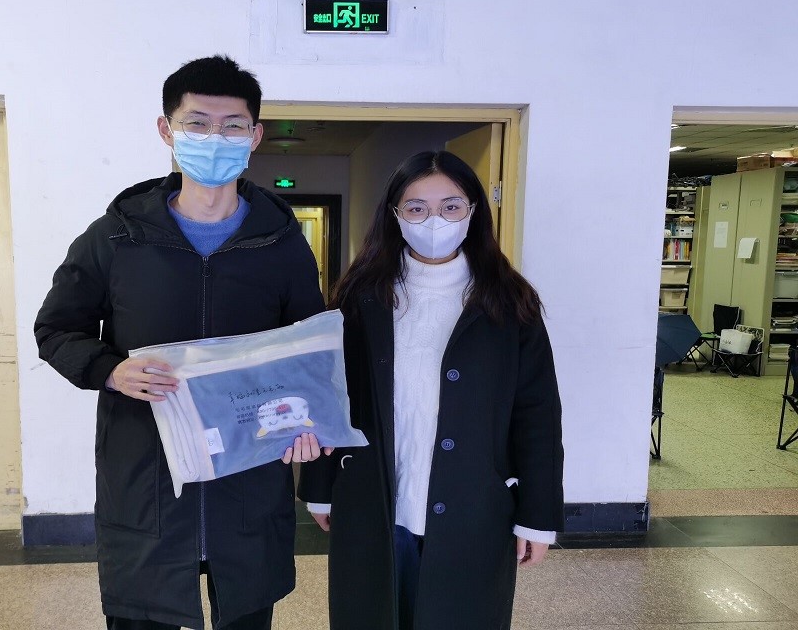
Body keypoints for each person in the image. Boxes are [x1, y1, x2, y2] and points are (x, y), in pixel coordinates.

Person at [35, 55, 329, 630]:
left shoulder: (281, 243)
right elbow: (56, 329)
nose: (214, 138)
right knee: (144, 614)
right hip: (147, 473)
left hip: (246, 477)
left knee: (245, 609)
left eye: (232, 125)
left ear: (255, 136)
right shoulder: (117, 237)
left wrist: (307, 423)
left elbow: (307, 350)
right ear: (166, 130)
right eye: (197, 123)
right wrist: (110, 370)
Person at [298, 150, 564, 630]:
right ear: (395, 215)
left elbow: (538, 415)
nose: (434, 221)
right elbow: (327, 393)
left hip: (475, 506)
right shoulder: (360, 296)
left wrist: (537, 515)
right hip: (374, 501)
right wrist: (319, 488)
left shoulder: (510, 302)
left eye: (451, 206)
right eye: (417, 207)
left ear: (473, 212)